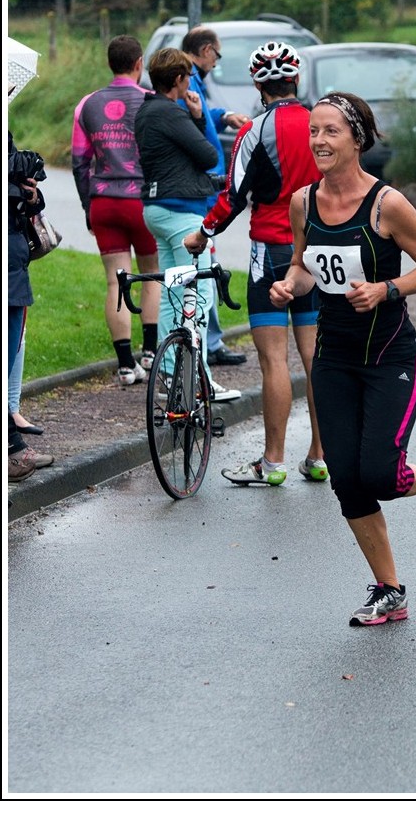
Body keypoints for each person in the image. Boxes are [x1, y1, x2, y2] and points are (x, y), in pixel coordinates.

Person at [268, 91, 416, 626]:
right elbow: (304, 266)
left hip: (388, 355)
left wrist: (386, 289)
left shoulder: (387, 204)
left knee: (382, 474)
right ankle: (390, 589)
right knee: (347, 478)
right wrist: (288, 285)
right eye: (313, 131)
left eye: (330, 131)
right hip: (333, 356)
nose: (318, 141)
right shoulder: (302, 202)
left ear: (357, 139)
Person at [184, 41, 325, 486]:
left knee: (274, 361)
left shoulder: (254, 130)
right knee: (315, 358)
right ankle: (319, 457)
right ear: (296, 79)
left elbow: (234, 196)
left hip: (272, 252)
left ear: (257, 85)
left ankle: (273, 461)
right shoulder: (322, 126)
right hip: (318, 252)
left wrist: (202, 233)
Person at [133, 47, 240, 404]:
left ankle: (169, 373)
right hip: (182, 212)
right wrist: (198, 117)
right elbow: (209, 155)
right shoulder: (171, 112)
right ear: (179, 79)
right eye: (187, 78)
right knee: (200, 293)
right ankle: (200, 379)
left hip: (156, 209)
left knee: (172, 292)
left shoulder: (146, 110)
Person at [71, 35, 161, 385]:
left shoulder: (87, 104)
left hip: (104, 202)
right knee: (151, 274)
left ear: (110, 64)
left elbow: (79, 162)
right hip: (142, 200)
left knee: (116, 281)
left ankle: (125, 365)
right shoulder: (151, 101)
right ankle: (150, 353)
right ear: (139, 63)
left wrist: (87, 206)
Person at [181, 25, 249, 368]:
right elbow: (193, 125)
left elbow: (204, 117)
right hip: (201, 186)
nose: (216, 62)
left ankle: (210, 340)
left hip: (203, 186)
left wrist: (223, 116)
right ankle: (208, 344)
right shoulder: (189, 80)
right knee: (203, 268)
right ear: (206, 50)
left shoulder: (194, 81)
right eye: (216, 55)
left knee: (203, 265)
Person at [7, 131, 54, 481]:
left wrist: (29, 193)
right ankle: (10, 449)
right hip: (7, 265)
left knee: (12, 351)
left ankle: (13, 441)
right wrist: (20, 167)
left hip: (13, 259)